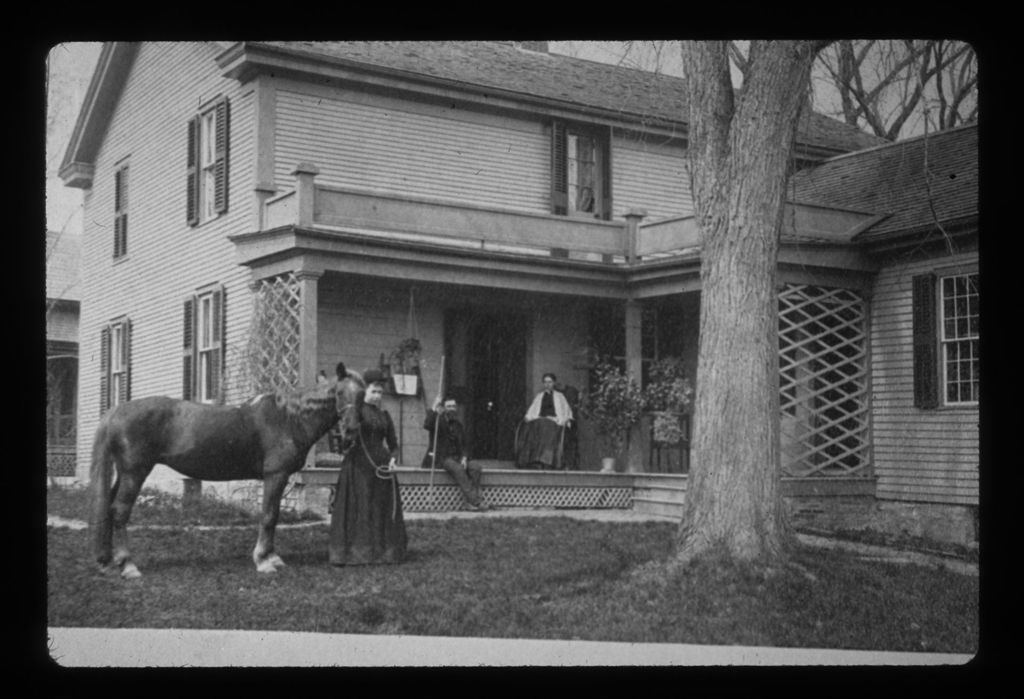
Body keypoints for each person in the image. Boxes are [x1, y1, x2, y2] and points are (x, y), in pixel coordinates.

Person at [328, 369, 407, 565]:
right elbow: (346, 441)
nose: (378, 396)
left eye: (380, 393)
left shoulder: (385, 416)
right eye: (374, 392)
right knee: (362, 507)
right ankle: (358, 553)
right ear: (365, 392)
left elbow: (394, 444)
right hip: (359, 466)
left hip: (382, 468)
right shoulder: (356, 411)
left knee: (380, 508)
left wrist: (393, 459)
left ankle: (382, 553)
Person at [422, 395, 490, 511]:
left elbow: (464, 445)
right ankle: (476, 501)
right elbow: (427, 424)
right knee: (458, 469)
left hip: (457, 457)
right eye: (448, 406)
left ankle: (470, 502)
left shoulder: (458, 425)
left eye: (453, 406)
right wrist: (434, 406)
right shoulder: (437, 421)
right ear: (443, 408)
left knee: (475, 467)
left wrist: (464, 457)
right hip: (442, 458)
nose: (451, 408)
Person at [516, 372, 573, 470]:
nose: (547, 384)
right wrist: (529, 417)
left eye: (550, 382)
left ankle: (546, 460)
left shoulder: (560, 396)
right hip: (539, 420)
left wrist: (564, 419)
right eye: (545, 382)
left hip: (554, 421)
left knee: (547, 427)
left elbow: (567, 412)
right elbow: (532, 411)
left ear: (554, 383)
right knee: (534, 427)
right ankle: (534, 459)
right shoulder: (539, 396)